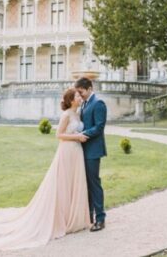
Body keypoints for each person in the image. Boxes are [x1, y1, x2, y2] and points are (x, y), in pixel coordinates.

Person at [0, 88, 91, 251]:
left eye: (80, 94)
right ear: (71, 100)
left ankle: (72, 217)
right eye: (77, 95)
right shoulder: (67, 115)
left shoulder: (78, 114)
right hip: (67, 151)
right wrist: (77, 137)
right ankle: (61, 219)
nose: (80, 96)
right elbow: (59, 135)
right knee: (63, 184)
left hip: (76, 152)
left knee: (73, 183)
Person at [74, 77, 107, 232]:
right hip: (83, 148)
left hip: (93, 150)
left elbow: (99, 127)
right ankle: (89, 217)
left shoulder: (98, 103)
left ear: (89, 88)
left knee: (94, 184)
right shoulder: (85, 103)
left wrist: (82, 134)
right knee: (86, 185)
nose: (80, 96)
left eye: (81, 92)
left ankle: (100, 219)